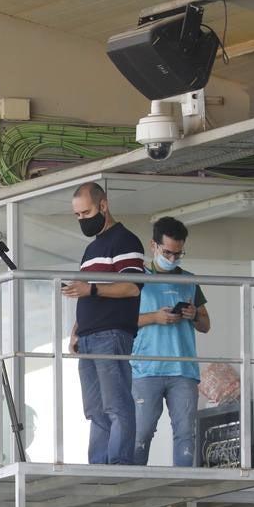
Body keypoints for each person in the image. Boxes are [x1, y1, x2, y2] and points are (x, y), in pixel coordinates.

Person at [64, 182, 145, 465]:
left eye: (85, 213)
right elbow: (85, 291)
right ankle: (98, 466)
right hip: (88, 336)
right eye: (77, 215)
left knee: (115, 404)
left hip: (111, 333)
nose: (82, 220)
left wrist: (92, 290)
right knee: (95, 409)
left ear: (103, 205)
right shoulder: (91, 248)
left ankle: (119, 463)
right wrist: (76, 330)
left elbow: (133, 287)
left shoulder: (125, 240)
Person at [132, 216, 211, 466]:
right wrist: (155, 317)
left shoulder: (189, 279)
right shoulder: (135, 279)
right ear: (153, 246)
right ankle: (131, 485)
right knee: (141, 432)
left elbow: (206, 324)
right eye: (168, 252)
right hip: (146, 368)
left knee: (186, 434)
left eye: (178, 253)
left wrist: (194, 314)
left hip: (183, 369)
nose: (173, 258)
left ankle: (184, 489)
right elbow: (121, 321)